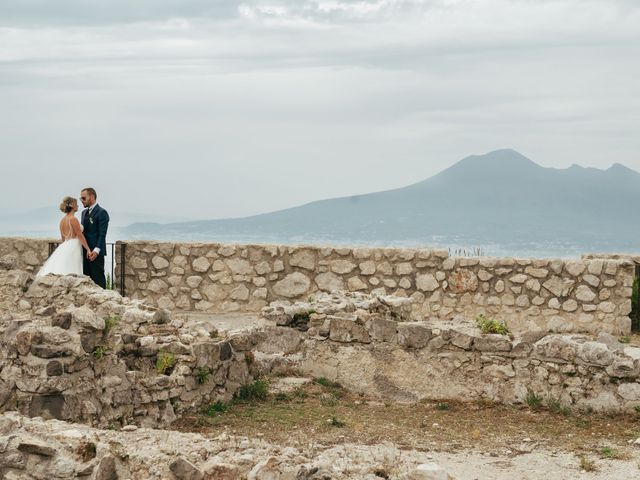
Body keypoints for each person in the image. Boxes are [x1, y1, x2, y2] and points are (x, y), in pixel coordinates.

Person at [36, 196, 92, 279]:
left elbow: (63, 238)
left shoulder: (62, 220)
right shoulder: (73, 219)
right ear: (72, 206)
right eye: (76, 204)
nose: (78, 206)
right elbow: (80, 235)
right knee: (72, 268)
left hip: (65, 245)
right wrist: (88, 249)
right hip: (74, 246)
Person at [80, 187, 110, 289]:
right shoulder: (83, 213)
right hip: (85, 252)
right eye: (81, 199)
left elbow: (102, 234)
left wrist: (96, 251)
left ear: (92, 197)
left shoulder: (102, 212)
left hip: (96, 254)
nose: (81, 201)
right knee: (86, 281)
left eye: (83, 198)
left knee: (98, 281)